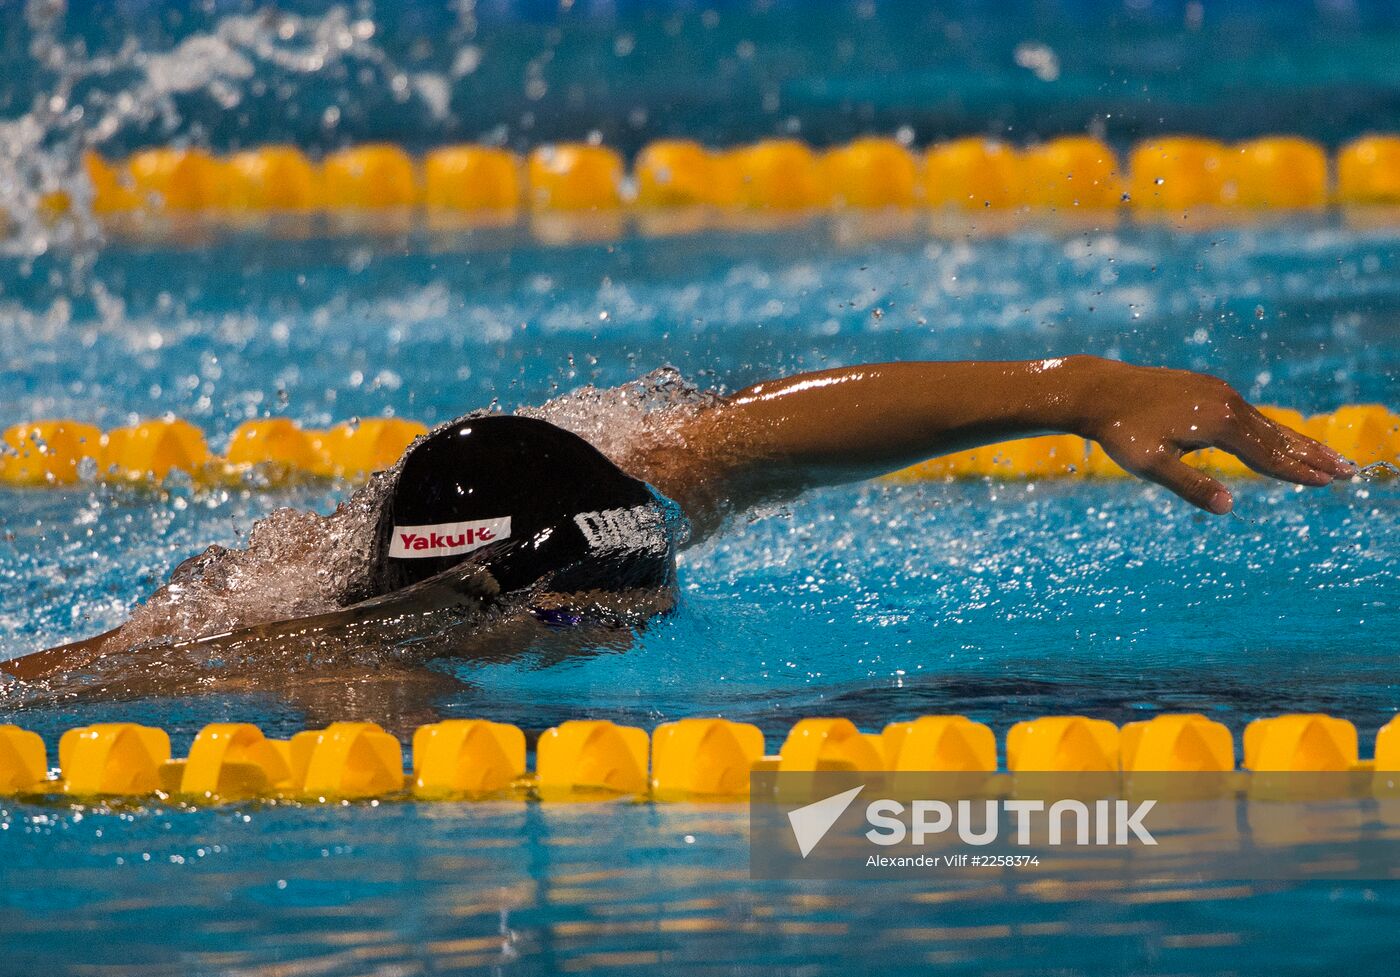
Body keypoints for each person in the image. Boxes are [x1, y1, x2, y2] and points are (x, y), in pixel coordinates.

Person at [1, 355, 1355, 688]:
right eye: (607, 618)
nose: (641, 630)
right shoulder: (347, 671)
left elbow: (756, 437)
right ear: (490, 607)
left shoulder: (605, 485)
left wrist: (1078, 391)